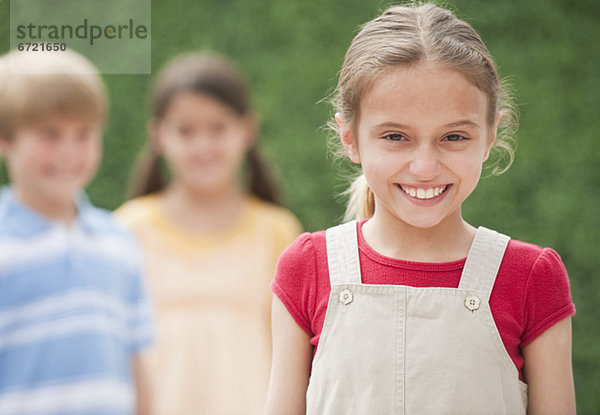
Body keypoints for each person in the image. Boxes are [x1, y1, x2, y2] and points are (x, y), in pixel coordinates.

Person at [265, 4, 576, 415]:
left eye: (453, 136)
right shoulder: (307, 269)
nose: (425, 168)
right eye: (396, 136)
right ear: (350, 138)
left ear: (489, 136)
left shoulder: (532, 278)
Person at [116, 53, 302, 415]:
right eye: (186, 131)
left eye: (218, 128)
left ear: (247, 129)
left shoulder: (278, 231)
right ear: (159, 135)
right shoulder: (127, 230)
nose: (203, 146)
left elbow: (294, 360)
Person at [0, 50, 153, 414]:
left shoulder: (120, 241)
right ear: (6, 138)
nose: (68, 152)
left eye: (83, 134)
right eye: (49, 134)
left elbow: (137, 364)